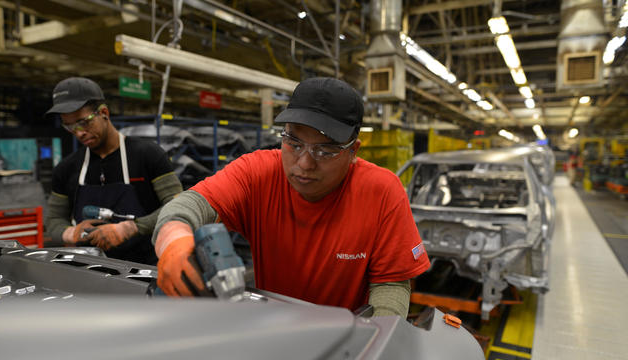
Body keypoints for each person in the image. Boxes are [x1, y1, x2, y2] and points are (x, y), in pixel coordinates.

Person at [153, 77, 430, 317]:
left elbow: (391, 284)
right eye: (294, 143)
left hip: (345, 342)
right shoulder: (257, 172)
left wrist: (380, 339)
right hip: (273, 333)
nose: (305, 163)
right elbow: (191, 204)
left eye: (325, 151)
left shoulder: (382, 192)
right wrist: (174, 240)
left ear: (353, 150)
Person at [45, 77, 182, 265]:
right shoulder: (67, 168)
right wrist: (70, 233)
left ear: (104, 113)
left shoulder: (148, 155)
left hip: (146, 268)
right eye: (70, 126)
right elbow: (53, 220)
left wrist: (132, 228)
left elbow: (177, 205)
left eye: (84, 122)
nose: (78, 133)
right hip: (90, 271)